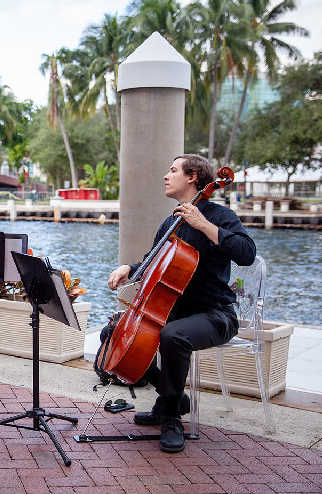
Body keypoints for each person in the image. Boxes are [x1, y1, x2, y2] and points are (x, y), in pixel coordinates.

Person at [107, 154, 256, 453]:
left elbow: (247, 253)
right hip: (177, 310)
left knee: (173, 336)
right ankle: (171, 396)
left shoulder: (219, 215)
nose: (166, 175)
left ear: (192, 177)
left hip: (216, 313)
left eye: (172, 170)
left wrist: (203, 225)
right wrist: (129, 268)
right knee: (112, 331)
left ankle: (171, 415)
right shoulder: (171, 222)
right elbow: (152, 265)